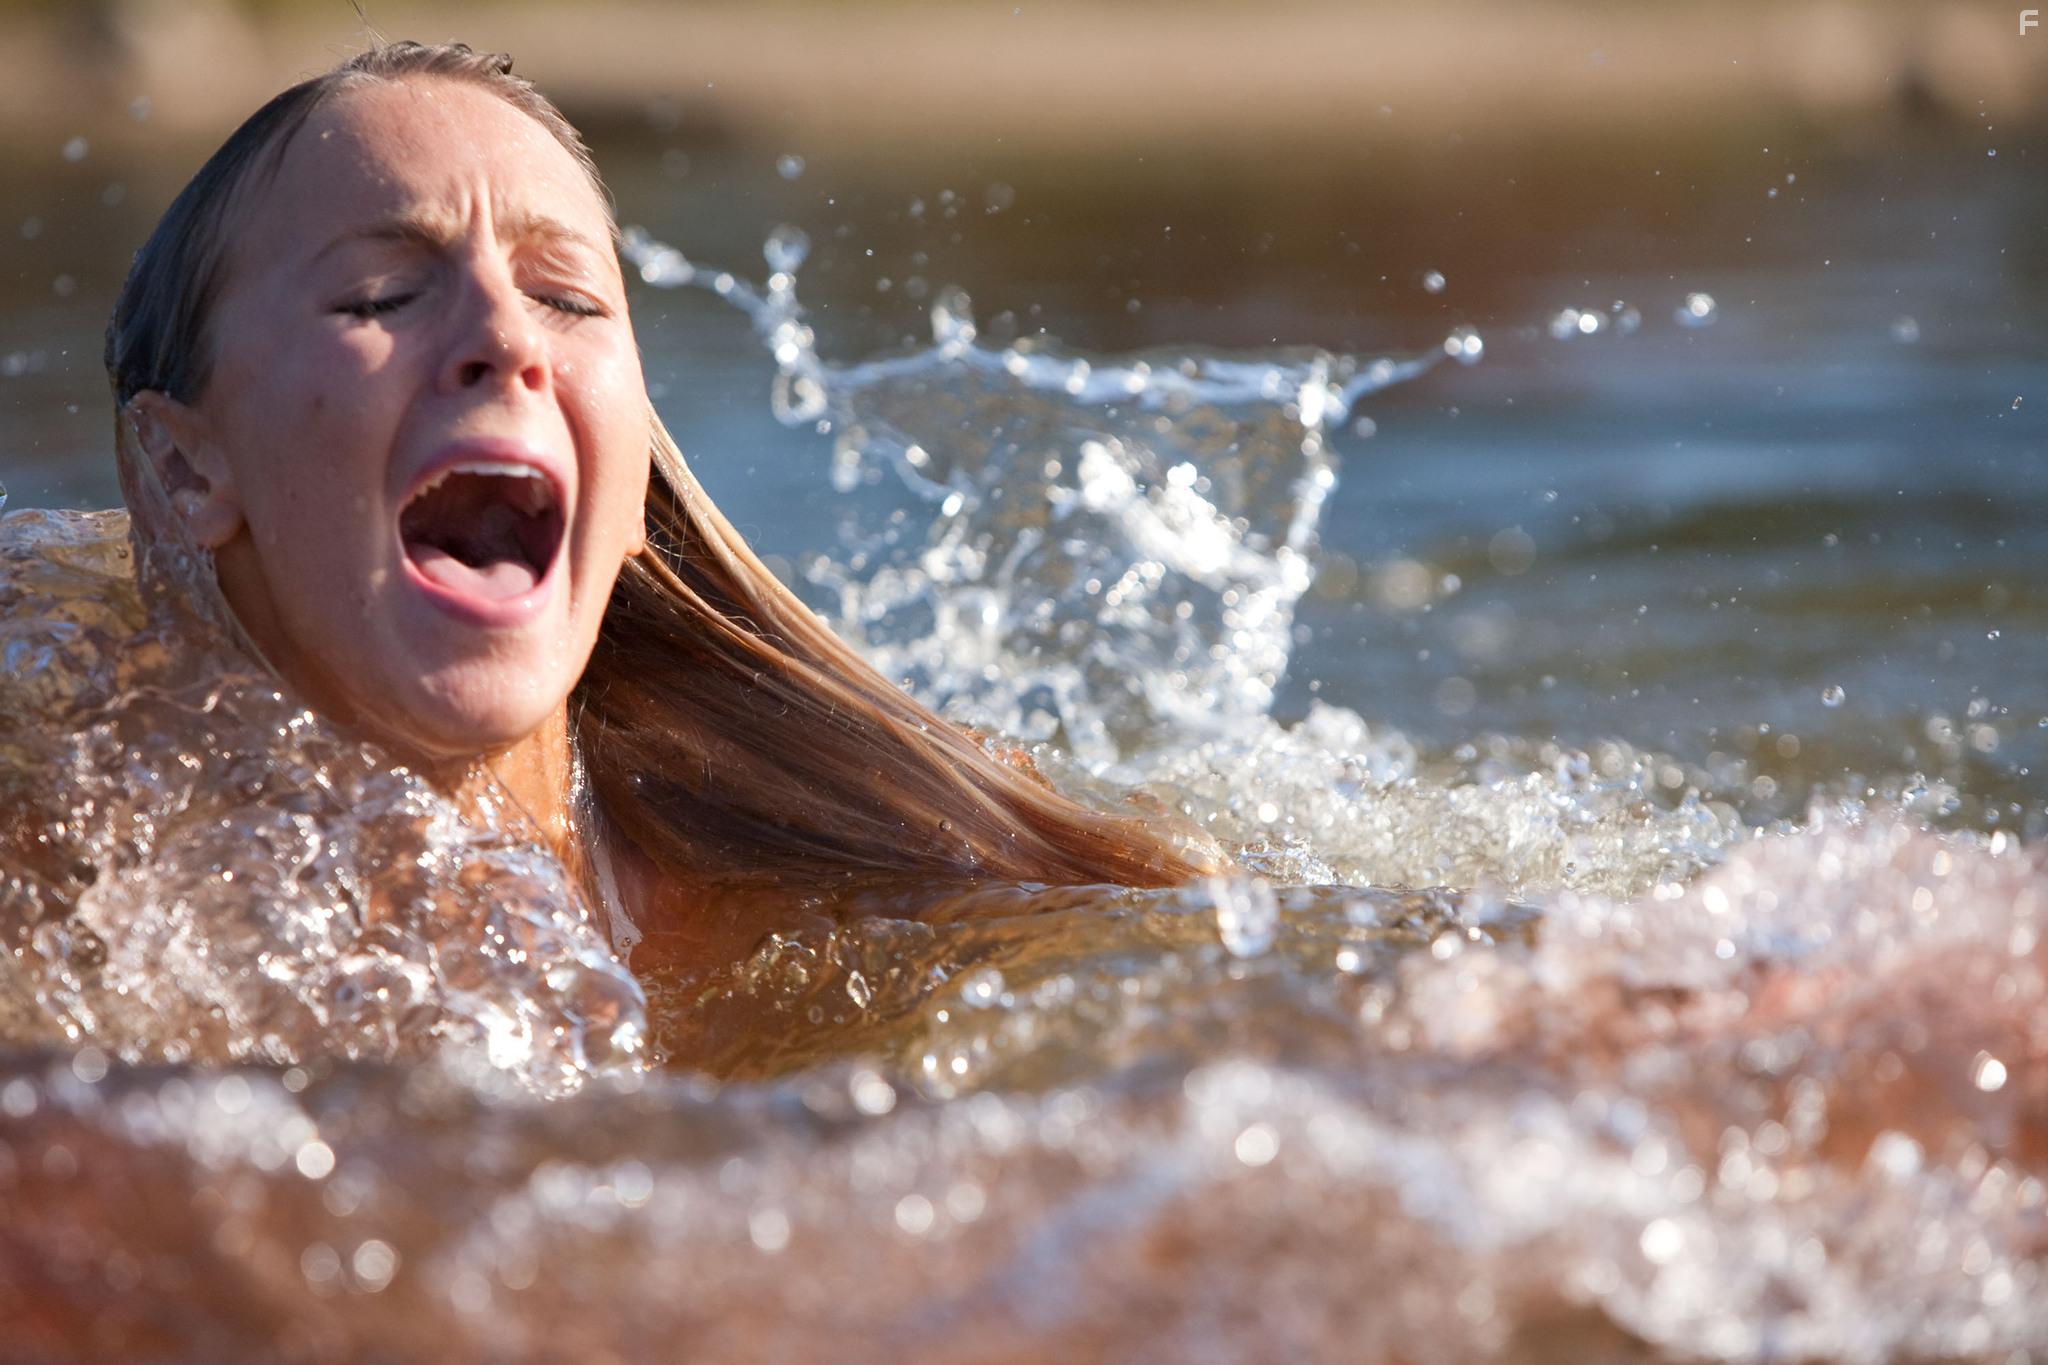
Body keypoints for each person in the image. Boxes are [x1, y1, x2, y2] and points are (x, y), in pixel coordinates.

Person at [100, 40, 1223, 979]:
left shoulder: (890, 891)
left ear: (627, 481)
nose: (507, 339)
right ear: (177, 471)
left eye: (567, 297)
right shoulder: (79, 898)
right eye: (381, 295)